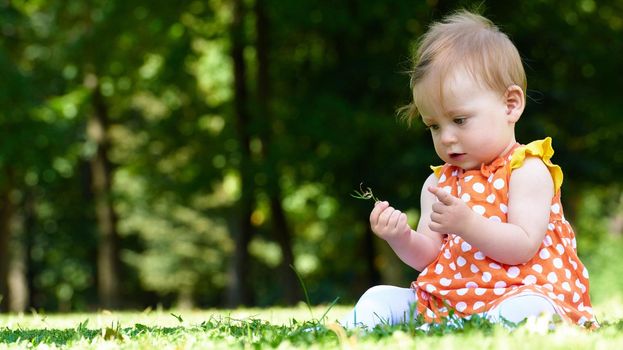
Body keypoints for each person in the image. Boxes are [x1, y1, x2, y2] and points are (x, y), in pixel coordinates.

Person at [341, 10, 597, 329]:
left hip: (521, 290)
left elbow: (522, 245)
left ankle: (474, 323)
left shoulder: (527, 170)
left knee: (530, 310)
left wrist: (468, 223)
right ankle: (358, 326)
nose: (447, 137)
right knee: (378, 297)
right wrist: (401, 236)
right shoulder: (438, 182)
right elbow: (428, 256)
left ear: (510, 105)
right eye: (434, 125)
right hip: (451, 297)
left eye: (459, 120)